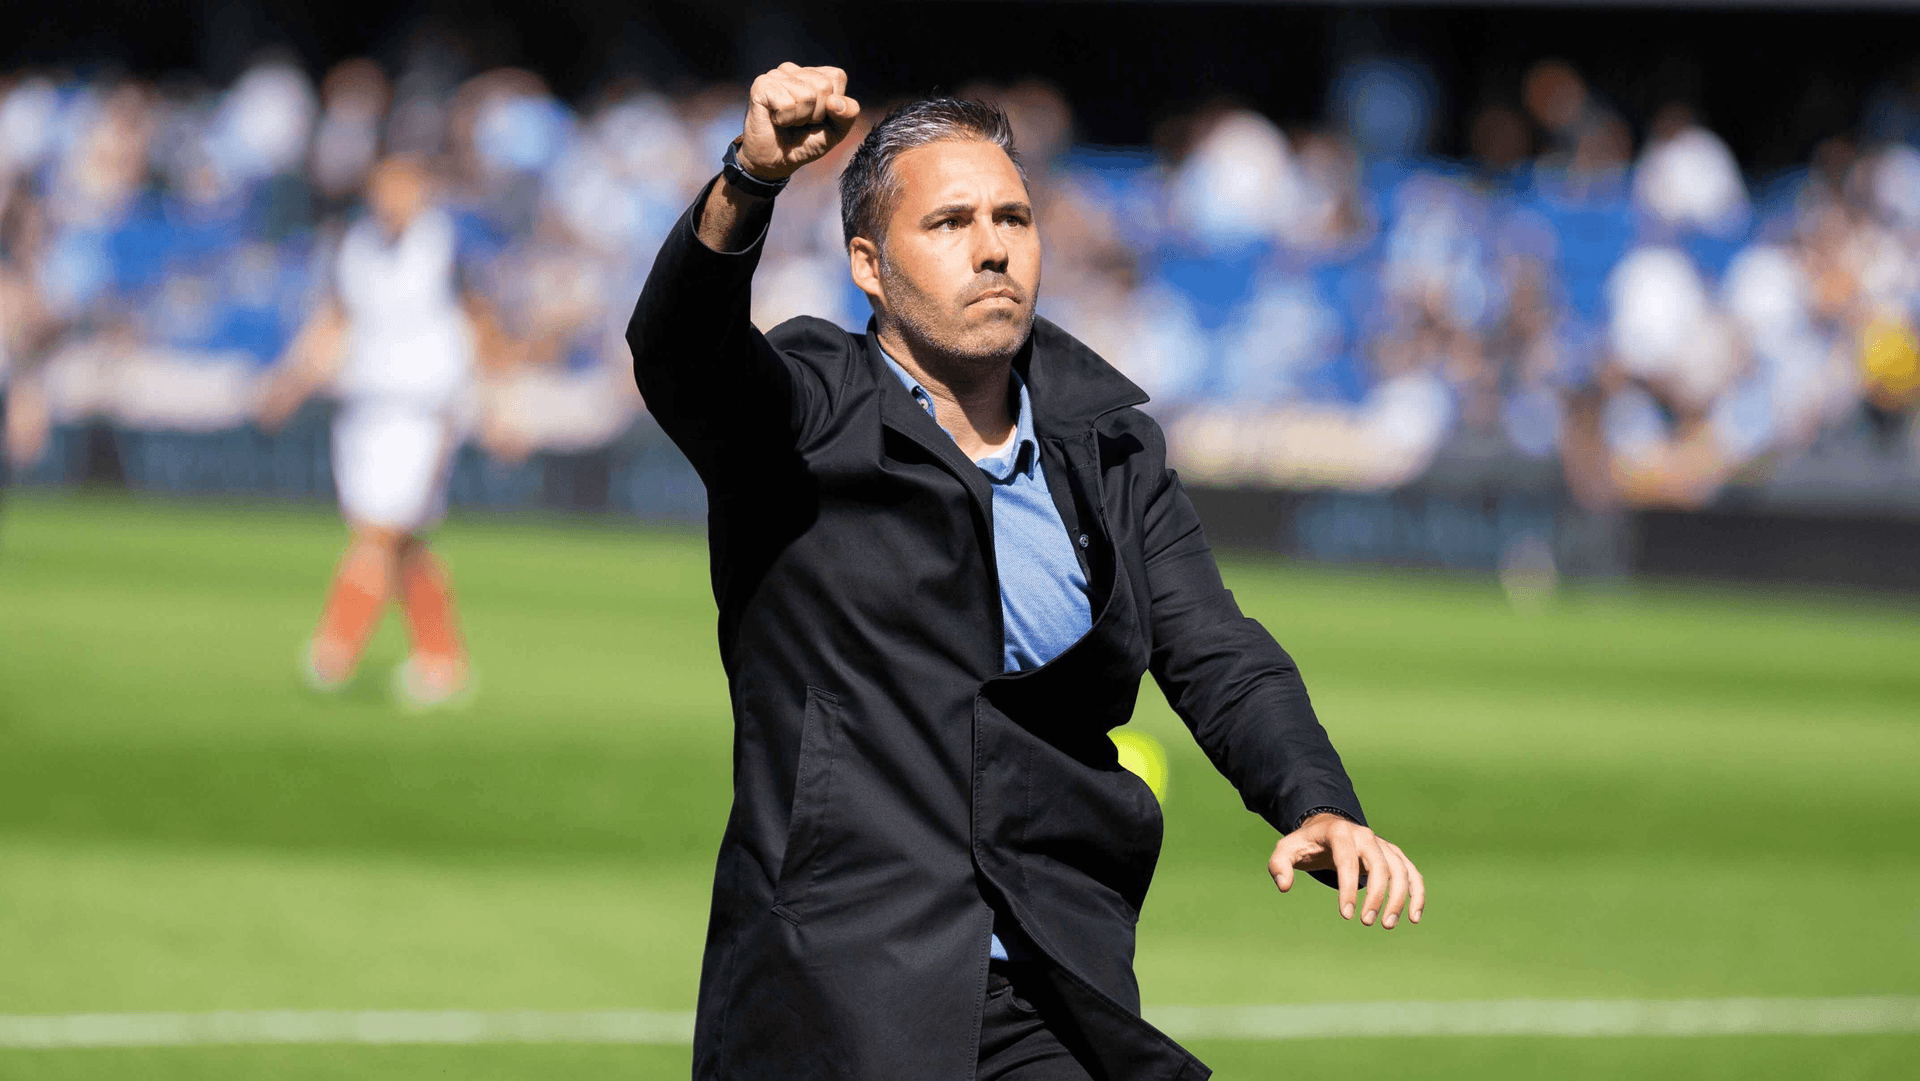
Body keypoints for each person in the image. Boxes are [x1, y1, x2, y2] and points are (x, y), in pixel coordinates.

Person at [628, 64, 1426, 1081]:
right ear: (869, 265)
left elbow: (1216, 648)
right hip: (837, 991)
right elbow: (680, 353)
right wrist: (748, 179)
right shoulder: (802, 413)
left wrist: (1316, 801)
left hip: (1053, 981)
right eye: (950, 222)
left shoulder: (1109, 447)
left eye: (1014, 216)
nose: (994, 246)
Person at [259, 155, 492, 708]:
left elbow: (480, 318)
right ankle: (442, 662)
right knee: (405, 540)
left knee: (378, 531)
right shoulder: (354, 246)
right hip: (364, 407)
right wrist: (289, 383)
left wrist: (496, 402)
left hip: (423, 407)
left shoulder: (445, 245)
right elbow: (333, 317)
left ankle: (333, 649)